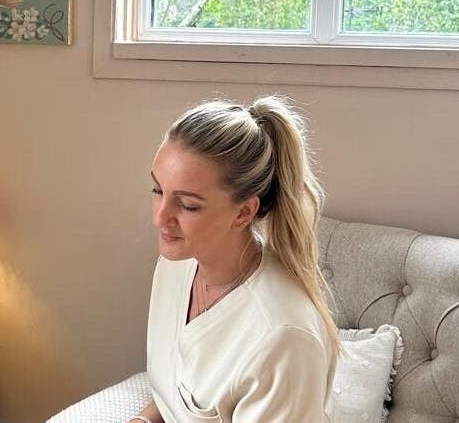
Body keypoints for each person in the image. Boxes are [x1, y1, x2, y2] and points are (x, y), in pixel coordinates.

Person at [130, 96, 339, 423]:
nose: (161, 218)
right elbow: (180, 391)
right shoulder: (177, 264)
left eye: (187, 205)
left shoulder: (283, 337)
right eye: (158, 190)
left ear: (244, 212)